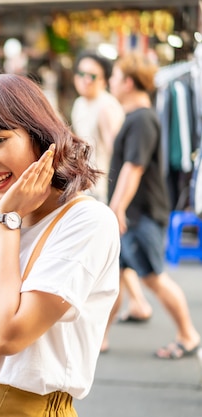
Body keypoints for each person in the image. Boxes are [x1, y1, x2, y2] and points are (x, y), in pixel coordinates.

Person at [0, 73, 120, 416]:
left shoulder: (87, 222)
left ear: (39, 136)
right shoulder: (7, 218)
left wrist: (6, 219)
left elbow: (8, 336)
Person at [102, 52, 201, 359]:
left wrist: (116, 209)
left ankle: (188, 334)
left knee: (153, 277)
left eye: (115, 77)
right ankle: (96, 340)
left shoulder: (142, 118)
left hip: (141, 215)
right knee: (112, 280)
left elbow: (134, 167)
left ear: (128, 83)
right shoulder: (136, 117)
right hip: (133, 215)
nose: (111, 83)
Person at [71, 51, 153, 325]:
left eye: (92, 76)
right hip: (88, 188)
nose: (85, 80)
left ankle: (108, 318)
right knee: (118, 255)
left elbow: (122, 155)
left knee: (112, 255)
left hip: (104, 191)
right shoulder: (80, 104)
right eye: (80, 74)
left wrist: (116, 201)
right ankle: (139, 302)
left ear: (105, 80)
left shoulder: (107, 107)